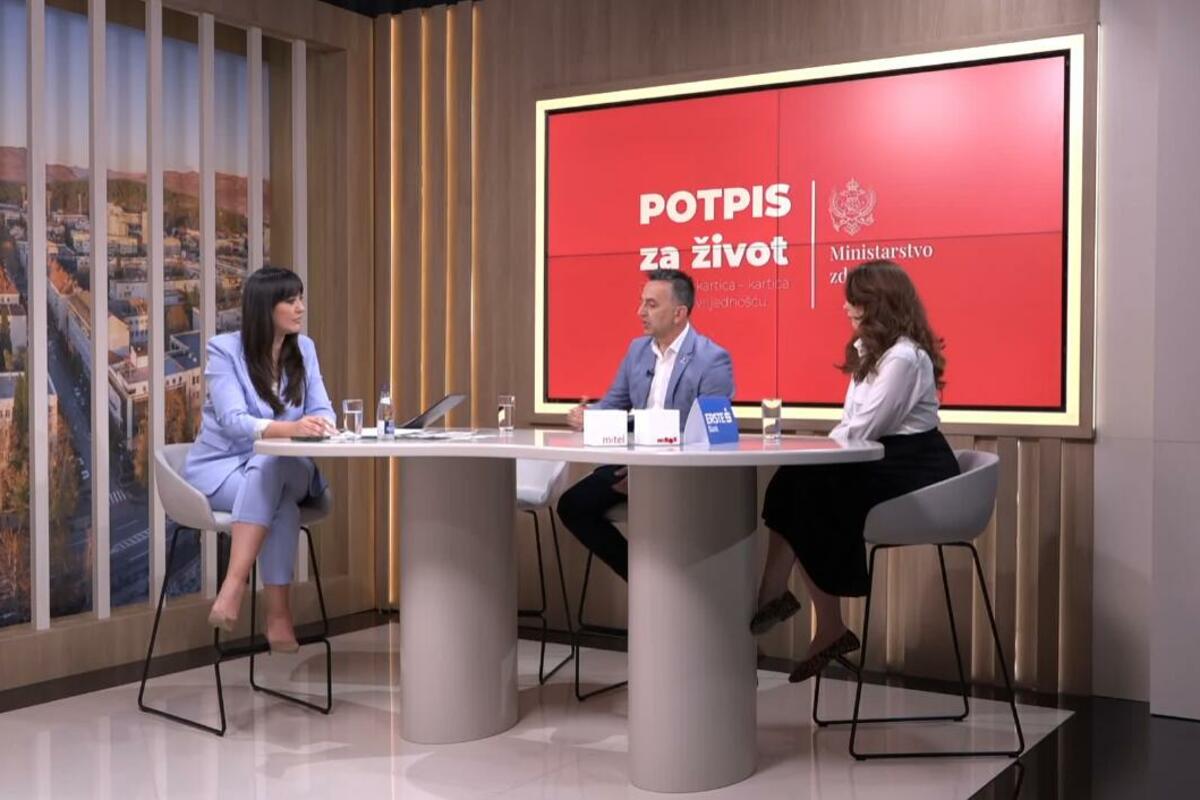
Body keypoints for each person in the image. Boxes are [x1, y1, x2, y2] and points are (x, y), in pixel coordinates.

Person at [751, 260, 960, 682]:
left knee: (806, 488)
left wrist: (821, 451)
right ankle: (804, 611)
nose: (846, 308)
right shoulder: (871, 352)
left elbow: (866, 428)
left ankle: (783, 601)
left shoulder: (904, 358)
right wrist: (818, 451)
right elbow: (852, 424)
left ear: (879, 303)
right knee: (791, 482)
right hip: (880, 458)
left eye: (855, 301)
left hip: (914, 467)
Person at [184, 266, 337, 652]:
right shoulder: (224, 350)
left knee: (269, 464)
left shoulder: (305, 349)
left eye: (301, 298)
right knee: (278, 501)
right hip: (222, 468)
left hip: (290, 466)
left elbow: (324, 410)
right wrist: (291, 427)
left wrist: (317, 425)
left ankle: (233, 585)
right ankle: (278, 616)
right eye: (291, 300)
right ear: (264, 307)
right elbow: (234, 421)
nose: (301, 308)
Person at [556, 269, 734, 581]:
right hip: (631, 466)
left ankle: (673, 586)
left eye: (651, 305)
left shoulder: (712, 359)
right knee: (573, 505)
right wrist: (588, 415)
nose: (640, 312)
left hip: (683, 471)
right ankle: (643, 581)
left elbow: (712, 433)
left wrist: (651, 469)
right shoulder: (637, 350)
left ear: (679, 313)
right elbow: (614, 403)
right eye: (641, 303)